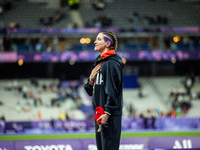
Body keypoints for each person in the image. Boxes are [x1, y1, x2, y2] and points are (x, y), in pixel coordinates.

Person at [84, 30, 124, 150]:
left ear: (107, 44)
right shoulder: (99, 63)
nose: (95, 41)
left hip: (109, 115)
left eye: (99, 39)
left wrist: (107, 113)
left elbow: (113, 91)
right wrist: (91, 80)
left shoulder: (111, 63)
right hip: (100, 115)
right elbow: (89, 91)